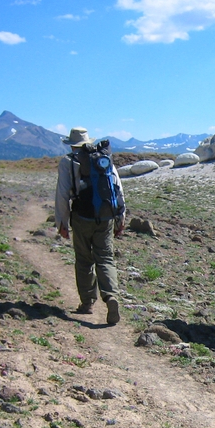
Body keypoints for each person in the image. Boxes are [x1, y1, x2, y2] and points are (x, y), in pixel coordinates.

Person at [55, 127, 125, 324]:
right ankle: (111, 296)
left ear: (71, 144)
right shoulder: (103, 158)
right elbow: (117, 187)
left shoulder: (68, 161)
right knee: (105, 258)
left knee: (84, 260)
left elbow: (63, 193)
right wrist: (121, 216)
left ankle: (87, 303)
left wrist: (61, 221)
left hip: (81, 216)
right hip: (106, 216)